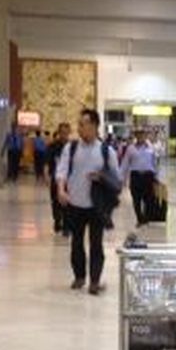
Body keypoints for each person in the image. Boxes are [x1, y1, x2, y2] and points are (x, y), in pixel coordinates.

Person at [55, 109, 121, 295]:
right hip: (75, 204)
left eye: (82, 124)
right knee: (76, 243)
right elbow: (61, 170)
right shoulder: (71, 148)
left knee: (96, 244)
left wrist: (101, 176)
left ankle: (94, 280)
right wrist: (61, 189)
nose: (79, 128)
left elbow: (117, 180)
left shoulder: (106, 151)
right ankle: (79, 276)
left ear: (93, 126)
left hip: (96, 207)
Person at [120, 128, 160, 226]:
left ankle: (145, 218)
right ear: (136, 136)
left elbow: (154, 162)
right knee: (136, 200)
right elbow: (125, 163)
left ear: (145, 136)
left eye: (142, 134)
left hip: (148, 176)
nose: (140, 136)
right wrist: (120, 177)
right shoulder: (130, 149)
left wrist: (156, 175)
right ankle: (140, 218)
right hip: (136, 176)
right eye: (138, 135)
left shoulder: (151, 148)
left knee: (149, 200)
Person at [45, 122, 71, 235]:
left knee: (67, 203)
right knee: (55, 202)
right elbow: (46, 163)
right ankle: (57, 221)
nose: (64, 135)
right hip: (55, 179)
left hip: (69, 180)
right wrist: (47, 176)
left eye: (66, 133)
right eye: (62, 133)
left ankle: (66, 226)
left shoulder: (72, 147)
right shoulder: (52, 146)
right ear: (59, 133)